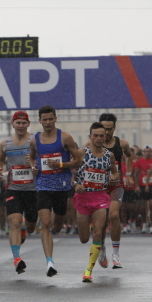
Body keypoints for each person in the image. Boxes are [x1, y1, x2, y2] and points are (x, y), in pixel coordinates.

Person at [29, 105, 81, 277]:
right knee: (45, 223)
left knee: (57, 226)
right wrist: (33, 167)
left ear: (55, 119)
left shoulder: (65, 137)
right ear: (40, 121)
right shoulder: (35, 140)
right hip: (43, 185)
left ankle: (56, 229)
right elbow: (31, 156)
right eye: (45, 119)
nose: (48, 122)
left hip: (62, 186)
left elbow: (78, 160)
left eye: (51, 119)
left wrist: (61, 165)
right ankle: (49, 262)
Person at [72, 122, 119, 283]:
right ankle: (97, 245)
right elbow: (70, 175)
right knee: (84, 238)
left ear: (106, 137)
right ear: (90, 137)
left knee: (98, 232)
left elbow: (115, 173)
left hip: (100, 197)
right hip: (83, 198)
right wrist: (76, 184)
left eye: (102, 135)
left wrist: (114, 177)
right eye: (96, 135)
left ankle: (88, 271)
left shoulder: (109, 155)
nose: (99, 138)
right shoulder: (81, 153)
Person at [0, 111, 37, 275]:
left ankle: (26, 230)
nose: (20, 126)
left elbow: (43, 160)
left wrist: (33, 161)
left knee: (31, 226)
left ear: (28, 124)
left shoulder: (34, 141)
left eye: (23, 123)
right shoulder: (6, 143)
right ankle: (17, 259)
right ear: (12, 124)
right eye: (17, 123)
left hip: (33, 189)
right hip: (13, 188)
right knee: (15, 223)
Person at [91, 113, 133, 270]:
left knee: (114, 215)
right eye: (103, 129)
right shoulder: (91, 143)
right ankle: (101, 247)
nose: (106, 133)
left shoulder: (122, 144)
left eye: (109, 129)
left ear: (114, 128)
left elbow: (129, 156)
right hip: (98, 187)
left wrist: (128, 174)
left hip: (116, 185)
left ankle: (116, 254)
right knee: (100, 223)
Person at [133, 146, 152, 233]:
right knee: (142, 208)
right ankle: (144, 224)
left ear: (151, 152)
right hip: (142, 186)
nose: (147, 153)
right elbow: (136, 174)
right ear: (143, 152)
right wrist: (137, 186)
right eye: (146, 151)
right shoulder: (139, 161)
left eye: (149, 151)